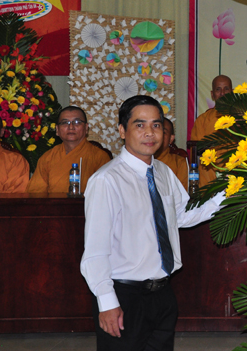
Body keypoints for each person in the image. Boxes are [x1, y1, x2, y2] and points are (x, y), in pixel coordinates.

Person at [80, 95, 225, 351]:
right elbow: (95, 250)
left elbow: (182, 215)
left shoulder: (162, 171)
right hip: (124, 296)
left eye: (156, 125)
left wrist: (230, 192)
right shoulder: (107, 180)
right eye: (140, 125)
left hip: (162, 293)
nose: (150, 133)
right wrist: (107, 302)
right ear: (122, 131)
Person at [26, 106, 111, 194]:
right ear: (57, 129)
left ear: (86, 128)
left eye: (77, 122)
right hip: (53, 203)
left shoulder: (99, 157)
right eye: (65, 122)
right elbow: (35, 194)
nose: (71, 127)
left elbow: (105, 193)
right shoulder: (47, 158)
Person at [190, 75, 232, 188]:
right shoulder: (203, 120)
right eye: (218, 89)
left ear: (232, 92)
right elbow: (195, 150)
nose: (222, 93)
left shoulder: (242, 118)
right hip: (209, 175)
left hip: (235, 172)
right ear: (212, 95)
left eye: (226, 89)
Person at [155, 118, 189, 191]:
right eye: (155, 130)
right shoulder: (136, 160)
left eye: (163, 132)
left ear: (171, 139)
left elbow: (183, 193)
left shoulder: (179, 163)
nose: (158, 136)